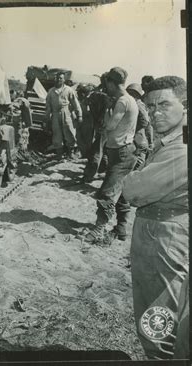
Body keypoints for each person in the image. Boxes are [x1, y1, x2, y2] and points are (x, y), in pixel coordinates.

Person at [122, 76, 188, 359]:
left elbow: (133, 191)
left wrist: (133, 178)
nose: (155, 112)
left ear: (184, 105)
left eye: (164, 104)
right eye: (150, 106)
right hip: (162, 230)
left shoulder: (181, 148)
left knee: (159, 319)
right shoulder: (170, 139)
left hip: (164, 236)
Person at [81, 67, 138, 243]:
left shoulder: (122, 101)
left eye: (108, 84)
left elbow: (109, 126)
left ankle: (98, 230)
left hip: (121, 153)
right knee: (120, 194)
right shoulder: (129, 99)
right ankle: (121, 229)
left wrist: (106, 110)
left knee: (107, 193)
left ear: (112, 83)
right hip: (122, 152)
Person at [45, 72, 83, 159]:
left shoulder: (69, 90)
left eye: (60, 78)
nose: (58, 80)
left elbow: (75, 103)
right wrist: (47, 117)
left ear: (64, 80)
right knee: (57, 135)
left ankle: (71, 153)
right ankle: (59, 155)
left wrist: (79, 115)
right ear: (55, 79)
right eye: (57, 78)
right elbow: (48, 106)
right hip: (55, 114)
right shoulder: (51, 91)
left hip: (67, 113)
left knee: (70, 132)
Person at [82, 73, 111, 182]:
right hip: (102, 124)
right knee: (103, 149)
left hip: (103, 125)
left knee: (97, 150)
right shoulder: (103, 92)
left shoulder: (102, 94)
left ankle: (89, 175)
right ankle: (103, 170)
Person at [126, 83, 154, 170]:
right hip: (136, 133)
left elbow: (145, 121)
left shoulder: (138, 105)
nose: (129, 95)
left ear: (136, 94)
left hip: (139, 134)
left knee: (139, 157)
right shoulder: (132, 104)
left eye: (131, 93)